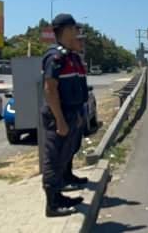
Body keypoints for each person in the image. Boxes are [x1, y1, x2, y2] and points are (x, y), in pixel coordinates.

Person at [40, 14, 89, 217]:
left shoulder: (70, 56)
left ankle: (59, 196)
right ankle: (52, 204)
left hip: (71, 114)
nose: (77, 32)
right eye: (74, 28)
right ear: (66, 30)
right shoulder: (55, 56)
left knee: (64, 157)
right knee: (53, 159)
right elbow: (50, 89)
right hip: (58, 117)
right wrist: (60, 120)